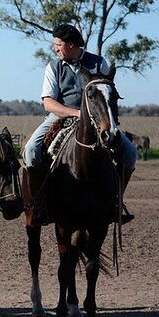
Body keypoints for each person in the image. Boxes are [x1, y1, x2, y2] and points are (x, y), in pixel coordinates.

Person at [22, 24, 137, 225]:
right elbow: (48, 102)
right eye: (55, 45)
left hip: (99, 119)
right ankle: (39, 205)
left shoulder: (98, 63)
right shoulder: (53, 67)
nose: (56, 49)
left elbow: (107, 94)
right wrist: (76, 113)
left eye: (58, 45)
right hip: (61, 116)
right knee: (31, 149)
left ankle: (116, 203)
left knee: (130, 153)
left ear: (71, 44)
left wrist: (105, 119)